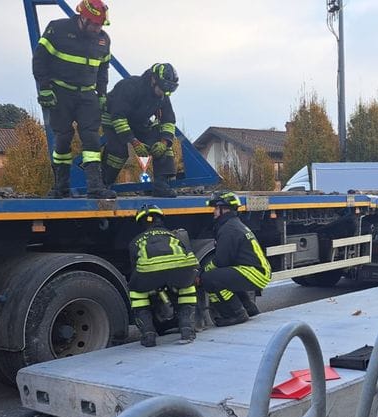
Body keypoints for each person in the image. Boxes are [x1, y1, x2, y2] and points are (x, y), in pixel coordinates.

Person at [32, 0, 116, 199]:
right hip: (61, 92)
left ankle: (95, 187)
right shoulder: (58, 29)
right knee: (62, 137)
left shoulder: (103, 40)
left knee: (92, 138)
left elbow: (103, 69)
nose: (98, 29)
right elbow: (39, 59)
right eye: (95, 24)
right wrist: (44, 88)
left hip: (87, 95)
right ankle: (61, 187)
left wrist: (102, 94)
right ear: (83, 17)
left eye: (101, 25)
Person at [101, 63, 180, 198]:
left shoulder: (163, 95)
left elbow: (168, 121)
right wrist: (134, 142)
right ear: (154, 80)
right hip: (113, 119)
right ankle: (104, 184)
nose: (164, 94)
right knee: (118, 151)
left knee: (163, 146)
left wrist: (164, 142)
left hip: (138, 121)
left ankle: (161, 185)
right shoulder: (130, 87)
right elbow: (118, 117)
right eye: (162, 89)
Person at [127, 205, 199, 346]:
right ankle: (187, 330)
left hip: (150, 274)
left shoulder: (136, 241)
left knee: (137, 293)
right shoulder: (174, 235)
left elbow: (135, 268)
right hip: (181, 271)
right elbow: (188, 254)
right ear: (161, 219)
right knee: (187, 288)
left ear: (141, 222)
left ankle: (148, 335)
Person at [198, 192, 271, 327]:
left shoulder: (228, 229)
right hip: (258, 270)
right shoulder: (233, 224)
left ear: (224, 209)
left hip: (255, 272)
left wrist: (202, 272)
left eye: (215, 208)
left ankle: (235, 314)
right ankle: (249, 308)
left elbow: (221, 261)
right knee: (226, 276)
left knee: (209, 279)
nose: (213, 212)